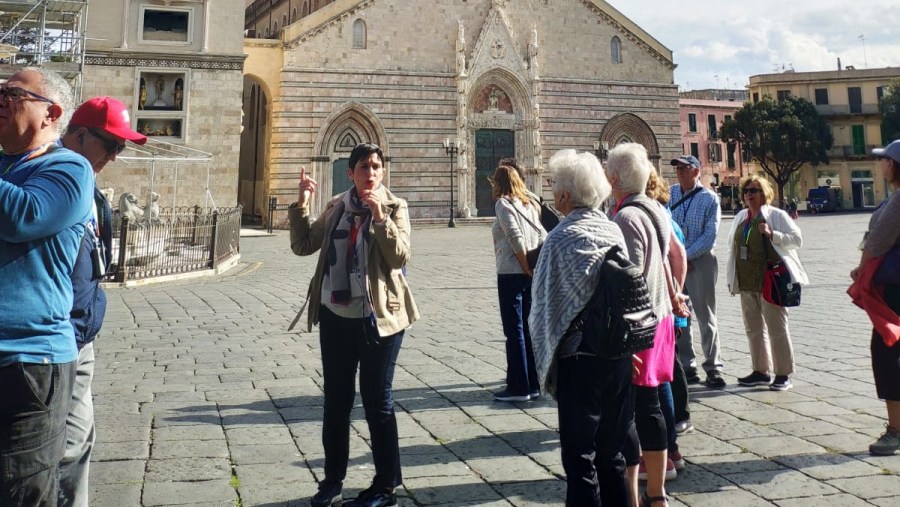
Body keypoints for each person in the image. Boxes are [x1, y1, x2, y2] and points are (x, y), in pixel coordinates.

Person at [289, 143, 418, 507]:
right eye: (364, 166)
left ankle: (385, 486)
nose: (372, 173)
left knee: (378, 402)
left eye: (377, 166)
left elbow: (399, 257)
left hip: (380, 319)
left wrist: (380, 219)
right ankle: (332, 481)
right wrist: (300, 204)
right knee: (336, 402)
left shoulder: (395, 207)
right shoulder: (336, 207)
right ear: (351, 173)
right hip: (336, 316)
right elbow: (303, 245)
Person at [0, 68, 94, 506]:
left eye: (12, 93)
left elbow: (24, 216)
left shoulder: (69, 168)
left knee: (20, 491)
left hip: (28, 362)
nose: (0, 98)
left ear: (51, 113)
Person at [57, 96, 148, 507]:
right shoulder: (53, 179)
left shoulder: (89, 185)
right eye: (111, 144)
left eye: (121, 147)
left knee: (80, 441)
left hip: (82, 336)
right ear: (78, 135)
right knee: (66, 446)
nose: (115, 154)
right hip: (56, 338)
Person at [529, 149, 631, 506]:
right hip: (619, 356)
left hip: (580, 361)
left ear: (565, 195)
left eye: (556, 184)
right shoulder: (612, 230)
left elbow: (543, 305)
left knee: (580, 459)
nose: (553, 190)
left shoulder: (560, 237)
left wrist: (545, 357)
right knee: (612, 455)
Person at [607, 143, 676, 507]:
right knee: (650, 405)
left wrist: (625, 339)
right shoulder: (656, 208)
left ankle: (638, 494)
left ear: (614, 178)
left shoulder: (626, 218)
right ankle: (658, 492)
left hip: (640, 326)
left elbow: (629, 279)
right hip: (660, 317)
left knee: (634, 410)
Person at [726, 175, 808, 392]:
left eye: (754, 190)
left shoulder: (776, 215)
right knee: (753, 328)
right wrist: (731, 278)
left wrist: (774, 235)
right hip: (747, 281)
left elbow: (797, 239)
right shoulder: (741, 217)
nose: (749, 195)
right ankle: (760, 371)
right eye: (746, 191)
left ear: (764, 193)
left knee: (776, 328)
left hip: (770, 279)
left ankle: (783, 374)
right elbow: (732, 250)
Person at [852, 139, 900, 455]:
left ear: (894, 165)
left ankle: (896, 429)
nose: (880, 164)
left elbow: (879, 240)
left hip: (895, 289)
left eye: (884, 159)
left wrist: (860, 268)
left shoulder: (898, 201)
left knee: (887, 353)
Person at [669, 155, 725, 388]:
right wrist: (677, 259)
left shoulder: (710, 199)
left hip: (700, 261)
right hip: (675, 262)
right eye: (678, 169)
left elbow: (709, 236)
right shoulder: (671, 194)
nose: (680, 172)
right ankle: (687, 365)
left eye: (684, 168)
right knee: (679, 314)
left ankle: (713, 367)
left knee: (705, 314)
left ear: (696, 172)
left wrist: (686, 256)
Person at [490, 165, 545, 401]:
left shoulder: (503, 203)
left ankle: (518, 387)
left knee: (514, 331)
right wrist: (533, 270)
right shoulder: (530, 204)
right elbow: (542, 235)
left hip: (512, 274)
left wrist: (526, 267)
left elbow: (515, 238)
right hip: (528, 273)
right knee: (527, 329)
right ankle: (533, 383)